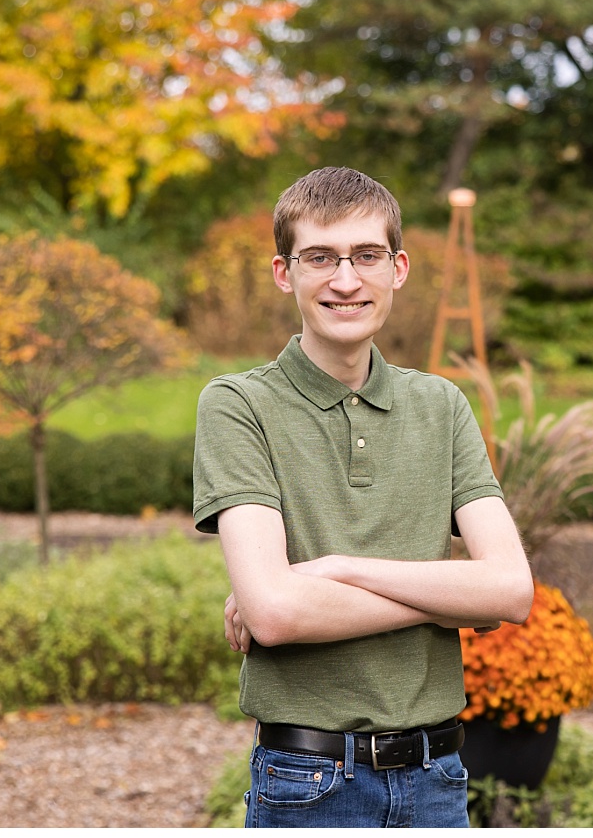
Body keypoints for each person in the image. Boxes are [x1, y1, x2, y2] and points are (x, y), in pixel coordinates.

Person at [193, 166, 534, 828]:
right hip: (309, 783)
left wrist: (332, 569)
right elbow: (276, 614)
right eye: (319, 257)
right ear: (284, 272)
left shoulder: (443, 405)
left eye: (366, 256)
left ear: (398, 268)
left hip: (440, 782)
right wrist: (447, 593)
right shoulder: (238, 405)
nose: (345, 280)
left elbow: (511, 591)